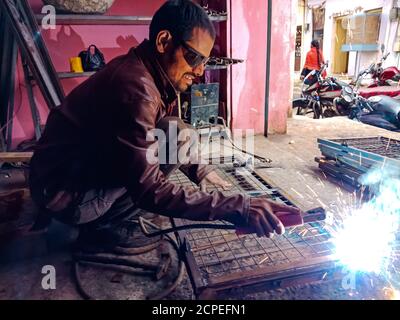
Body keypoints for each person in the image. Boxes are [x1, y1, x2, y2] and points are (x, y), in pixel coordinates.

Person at [29, 0, 302, 251]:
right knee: (160, 165)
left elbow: (164, 132)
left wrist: (199, 170)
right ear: (164, 41)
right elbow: (149, 189)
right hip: (64, 194)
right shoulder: (136, 88)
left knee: (177, 131)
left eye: (204, 62)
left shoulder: (146, 73)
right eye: (194, 58)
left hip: (69, 176)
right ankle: (101, 228)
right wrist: (239, 207)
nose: (198, 71)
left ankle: (106, 218)